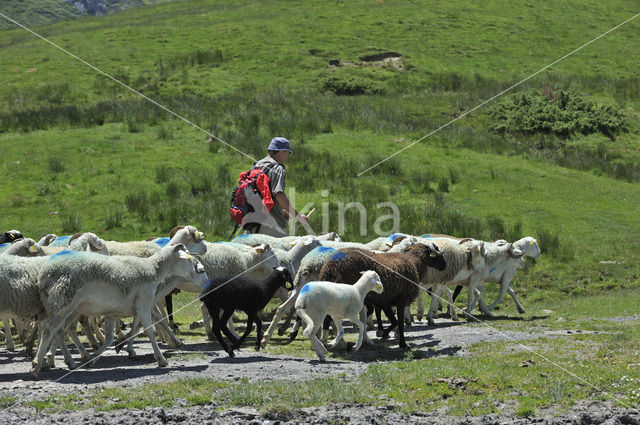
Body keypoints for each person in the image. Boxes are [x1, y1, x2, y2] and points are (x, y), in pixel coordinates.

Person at [244, 137, 309, 236]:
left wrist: (288, 215)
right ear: (281, 152)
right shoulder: (278, 168)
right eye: (288, 153)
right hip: (272, 228)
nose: (287, 157)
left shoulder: (256, 166)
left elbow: (265, 200)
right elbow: (279, 196)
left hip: (251, 225)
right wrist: (298, 217)